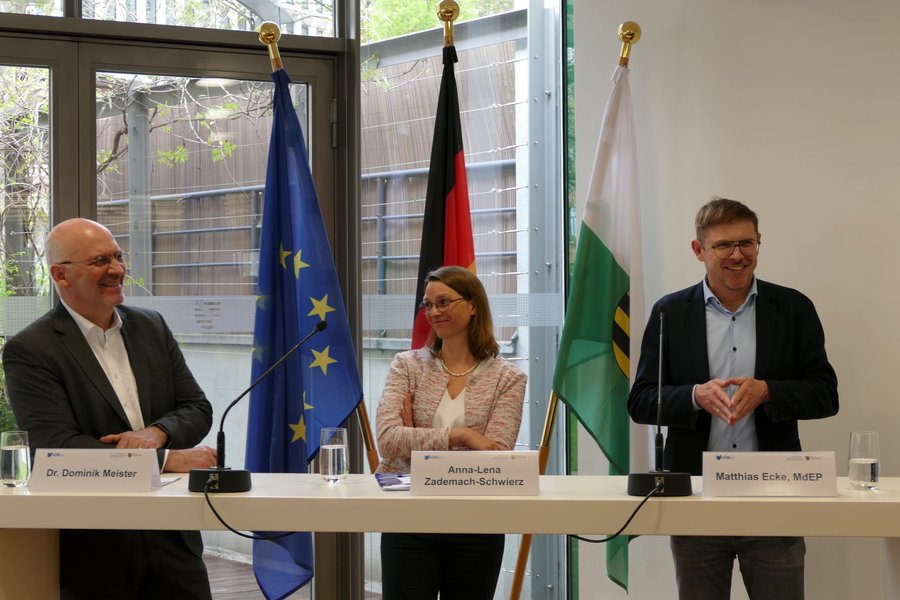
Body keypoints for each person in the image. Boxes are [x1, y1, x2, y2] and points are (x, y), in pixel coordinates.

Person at [627, 197, 839, 599]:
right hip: (696, 497)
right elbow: (640, 400)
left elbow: (826, 395)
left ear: (759, 242)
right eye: (723, 245)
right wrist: (694, 396)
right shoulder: (669, 313)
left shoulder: (793, 308)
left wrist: (769, 391)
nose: (737, 255)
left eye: (746, 243)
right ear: (699, 250)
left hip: (776, 495)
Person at [2, 218, 218, 600]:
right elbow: (55, 448)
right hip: (96, 551)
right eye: (101, 261)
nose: (117, 269)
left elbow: (196, 407)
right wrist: (165, 459)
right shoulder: (31, 349)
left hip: (174, 540)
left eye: (118, 256)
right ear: (60, 275)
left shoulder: (152, 326)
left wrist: (156, 434)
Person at [375, 265, 527, 600]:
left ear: (473, 305)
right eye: (427, 305)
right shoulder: (406, 365)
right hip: (408, 518)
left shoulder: (508, 378)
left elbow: (497, 456)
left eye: (443, 302)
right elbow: (388, 439)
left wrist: (416, 441)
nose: (433, 312)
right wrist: (463, 437)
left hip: (476, 523)